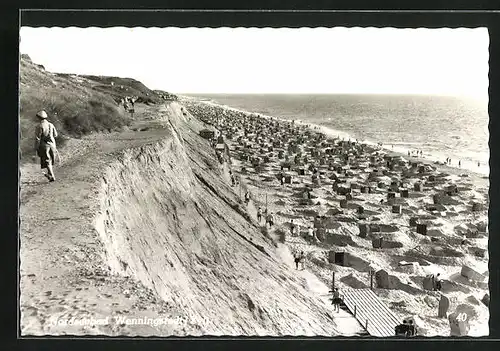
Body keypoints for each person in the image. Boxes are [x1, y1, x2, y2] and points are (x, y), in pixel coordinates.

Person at [34, 110, 58, 182]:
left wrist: (36, 147)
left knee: (47, 160)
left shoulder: (39, 126)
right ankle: (50, 174)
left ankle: (52, 175)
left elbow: (37, 138)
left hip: (44, 145)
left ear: (39, 118)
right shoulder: (51, 124)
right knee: (50, 159)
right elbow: (55, 135)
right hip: (52, 144)